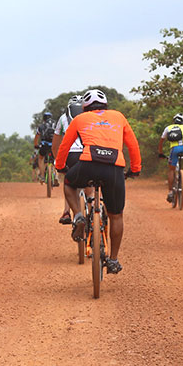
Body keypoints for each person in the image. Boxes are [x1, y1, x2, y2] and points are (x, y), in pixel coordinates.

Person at [54, 89, 142, 275]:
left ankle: (78, 215)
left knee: (69, 183)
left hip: (88, 164)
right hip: (114, 167)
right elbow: (132, 145)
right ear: (106, 105)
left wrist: (60, 166)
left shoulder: (79, 119)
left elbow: (65, 146)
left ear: (85, 108)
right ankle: (113, 260)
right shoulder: (118, 117)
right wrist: (135, 169)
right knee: (116, 215)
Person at [53, 95, 85, 224]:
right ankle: (96, 211)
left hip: (70, 155)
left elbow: (55, 145)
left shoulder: (63, 118)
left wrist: (58, 161)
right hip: (88, 153)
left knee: (69, 182)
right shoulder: (90, 117)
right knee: (90, 184)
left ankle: (67, 212)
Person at [157, 113, 183, 203]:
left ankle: (170, 192)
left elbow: (161, 141)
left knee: (171, 170)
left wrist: (160, 152)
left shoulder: (168, 128)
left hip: (175, 149)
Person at [33, 112, 59, 184]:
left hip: (44, 145)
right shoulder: (55, 125)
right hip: (54, 145)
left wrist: (36, 145)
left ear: (44, 118)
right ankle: (56, 175)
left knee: (41, 158)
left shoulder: (41, 126)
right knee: (56, 159)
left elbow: (36, 137)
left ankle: (42, 176)